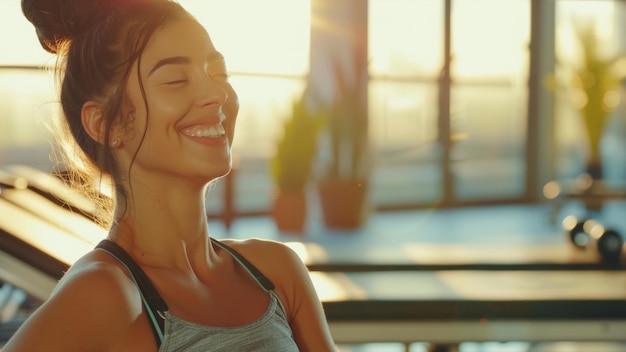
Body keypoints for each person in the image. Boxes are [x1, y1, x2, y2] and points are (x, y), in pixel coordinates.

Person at [4, 0, 336, 350]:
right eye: (177, 79)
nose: (217, 94)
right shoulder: (104, 294)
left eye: (218, 73)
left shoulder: (277, 272)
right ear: (107, 124)